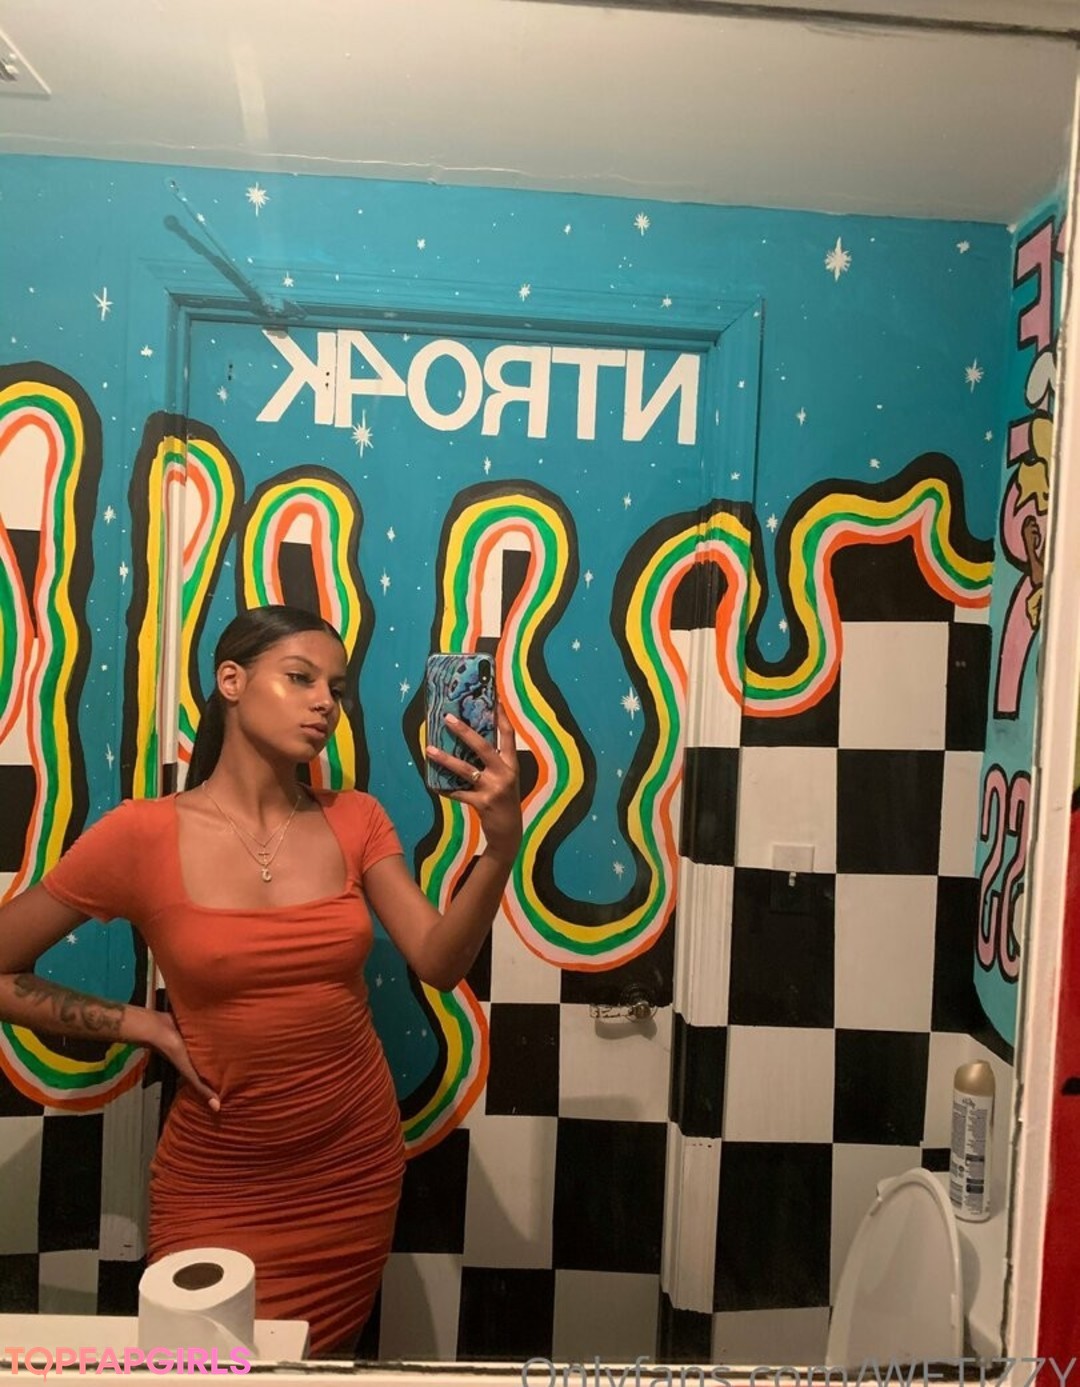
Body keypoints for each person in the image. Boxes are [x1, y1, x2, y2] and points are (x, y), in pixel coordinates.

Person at [0, 605, 522, 1356]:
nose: (324, 704)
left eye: (336, 690)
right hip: (218, 1177)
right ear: (231, 681)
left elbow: (440, 963)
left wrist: (499, 848)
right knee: (202, 1364)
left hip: (352, 1169)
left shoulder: (356, 819)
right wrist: (145, 1025)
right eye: (300, 678)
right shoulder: (142, 833)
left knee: (315, 1364)